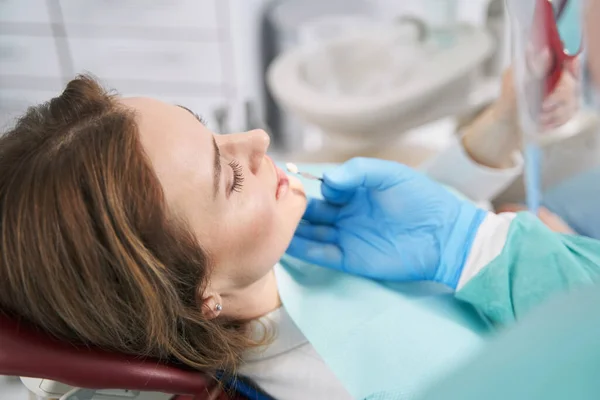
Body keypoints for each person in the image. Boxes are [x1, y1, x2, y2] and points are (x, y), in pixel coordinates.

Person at [0, 74, 599, 400]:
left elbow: (411, 231)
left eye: (215, 134)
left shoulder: (273, 238)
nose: (258, 140)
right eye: (229, 174)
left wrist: (501, 127)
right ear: (197, 293)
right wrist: (493, 247)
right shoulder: (336, 381)